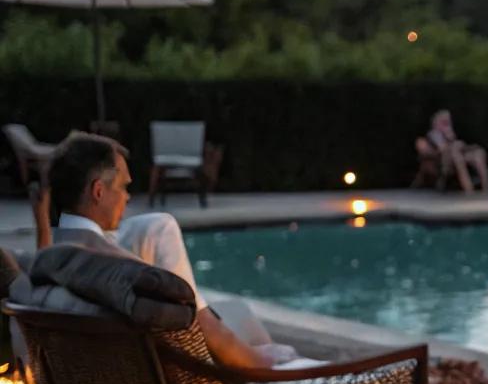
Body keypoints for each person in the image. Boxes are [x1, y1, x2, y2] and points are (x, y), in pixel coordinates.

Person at [29, 132, 297, 370]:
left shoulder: (55, 261)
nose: (128, 196)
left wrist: (42, 224)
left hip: (101, 380)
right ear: (98, 191)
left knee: (237, 309)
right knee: (252, 325)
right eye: (123, 186)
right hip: (185, 373)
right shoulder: (119, 266)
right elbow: (196, 329)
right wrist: (266, 366)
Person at [425, 110, 488, 194]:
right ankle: (468, 189)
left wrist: (458, 142)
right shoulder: (434, 133)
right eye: (443, 121)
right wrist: (449, 138)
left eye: (448, 120)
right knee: (456, 154)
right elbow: (442, 149)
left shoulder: (450, 130)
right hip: (444, 160)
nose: (447, 123)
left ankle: (486, 189)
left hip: (457, 154)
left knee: (479, 154)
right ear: (437, 122)